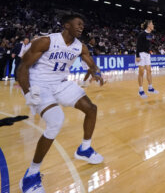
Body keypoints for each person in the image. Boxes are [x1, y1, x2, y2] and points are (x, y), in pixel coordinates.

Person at [17, 14, 104, 193]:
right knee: (56, 121)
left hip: (61, 84)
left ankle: (84, 149)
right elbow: (22, 68)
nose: (81, 27)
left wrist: (96, 72)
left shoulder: (80, 47)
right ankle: (31, 175)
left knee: (91, 109)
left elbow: (90, 63)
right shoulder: (46, 42)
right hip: (40, 85)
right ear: (66, 25)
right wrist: (27, 93)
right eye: (78, 24)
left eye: (83, 24)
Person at [136, 20, 159, 99]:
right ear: (148, 25)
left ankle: (150, 88)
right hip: (141, 54)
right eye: (152, 24)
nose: (153, 25)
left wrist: (149, 50)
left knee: (149, 71)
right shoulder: (142, 34)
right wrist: (137, 56)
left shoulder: (151, 34)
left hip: (147, 54)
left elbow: (147, 44)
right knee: (141, 72)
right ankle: (140, 90)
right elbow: (138, 45)